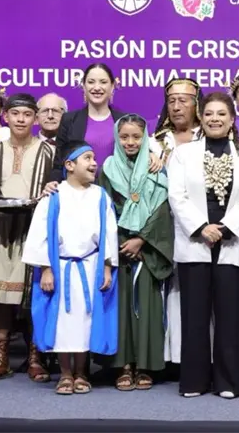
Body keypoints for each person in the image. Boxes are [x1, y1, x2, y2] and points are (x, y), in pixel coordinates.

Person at [169, 92, 239, 399]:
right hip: (196, 240)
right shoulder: (183, 153)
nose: (215, 119)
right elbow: (176, 195)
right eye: (209, 114)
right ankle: (194, 380)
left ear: (232, 119)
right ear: (201, 117)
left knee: (231, 317)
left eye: (221, 114)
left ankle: (228, 381)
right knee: (194, 315)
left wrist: (228, 227)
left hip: (232, 240)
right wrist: (201, 227)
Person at [22, 141, 119, 395]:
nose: (94, 163)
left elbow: (109, 233)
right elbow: (40, 233)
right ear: (69, 165)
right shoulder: (53, 197)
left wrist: (107, 266)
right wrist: (45, 268)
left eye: (94, 158)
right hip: (61, 267)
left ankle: (82, 372)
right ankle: (65, 373)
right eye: (87, 158)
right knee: (64, 323)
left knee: (85, 320)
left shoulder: (100, 196)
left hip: (90, 267)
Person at [0, 93, 54, 383]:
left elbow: (54, 189)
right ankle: (1, 359)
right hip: (1, 227)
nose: (21, 120)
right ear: (5, 117)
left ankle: (35, 359)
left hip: (34, 227)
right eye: (16, 114)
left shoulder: (47, 151)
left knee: (34, 295)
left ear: (35, 119)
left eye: (27, 115)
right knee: (1, 296)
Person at [98, 113, 173, 391]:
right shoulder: (107, 168)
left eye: (136, 137)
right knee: (121, 311)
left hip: (147, 251)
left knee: (147, 310)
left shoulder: (156, 169)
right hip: (119, 250)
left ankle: (145, 365)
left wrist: (142, 240)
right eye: (124, 136)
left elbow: (163, 209)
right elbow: (103, 210)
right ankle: (123, 365)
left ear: (145, 139)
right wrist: (122, 243)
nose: (130, 142)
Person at [150, 77, 204, 366]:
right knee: (168, 290)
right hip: (166, 227)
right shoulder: (155, 143)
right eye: (171, 100)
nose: (177, 106)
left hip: (203, 227)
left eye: (184, 100)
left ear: (197, 103)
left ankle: (199, 356)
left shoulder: (212, 137)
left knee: (199, 290)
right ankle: (168, 358)